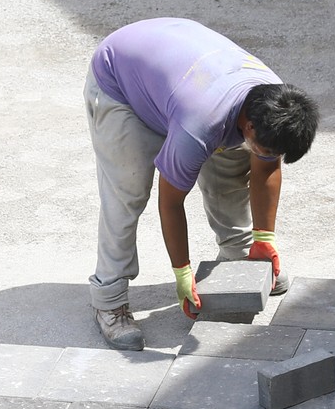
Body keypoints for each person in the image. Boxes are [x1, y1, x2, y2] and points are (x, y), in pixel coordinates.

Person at [83, 17, 319, 351]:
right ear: (249, 126)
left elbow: (265, 167)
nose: (270, 155)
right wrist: (183, 274)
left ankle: (238, 258)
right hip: (120, 78)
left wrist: (264, 240)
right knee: (129, 192)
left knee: (232, 168)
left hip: (177, 66)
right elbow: (171, 202)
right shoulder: (200, 123)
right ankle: (108, 300)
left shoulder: (276, 102)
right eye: (267, 148)